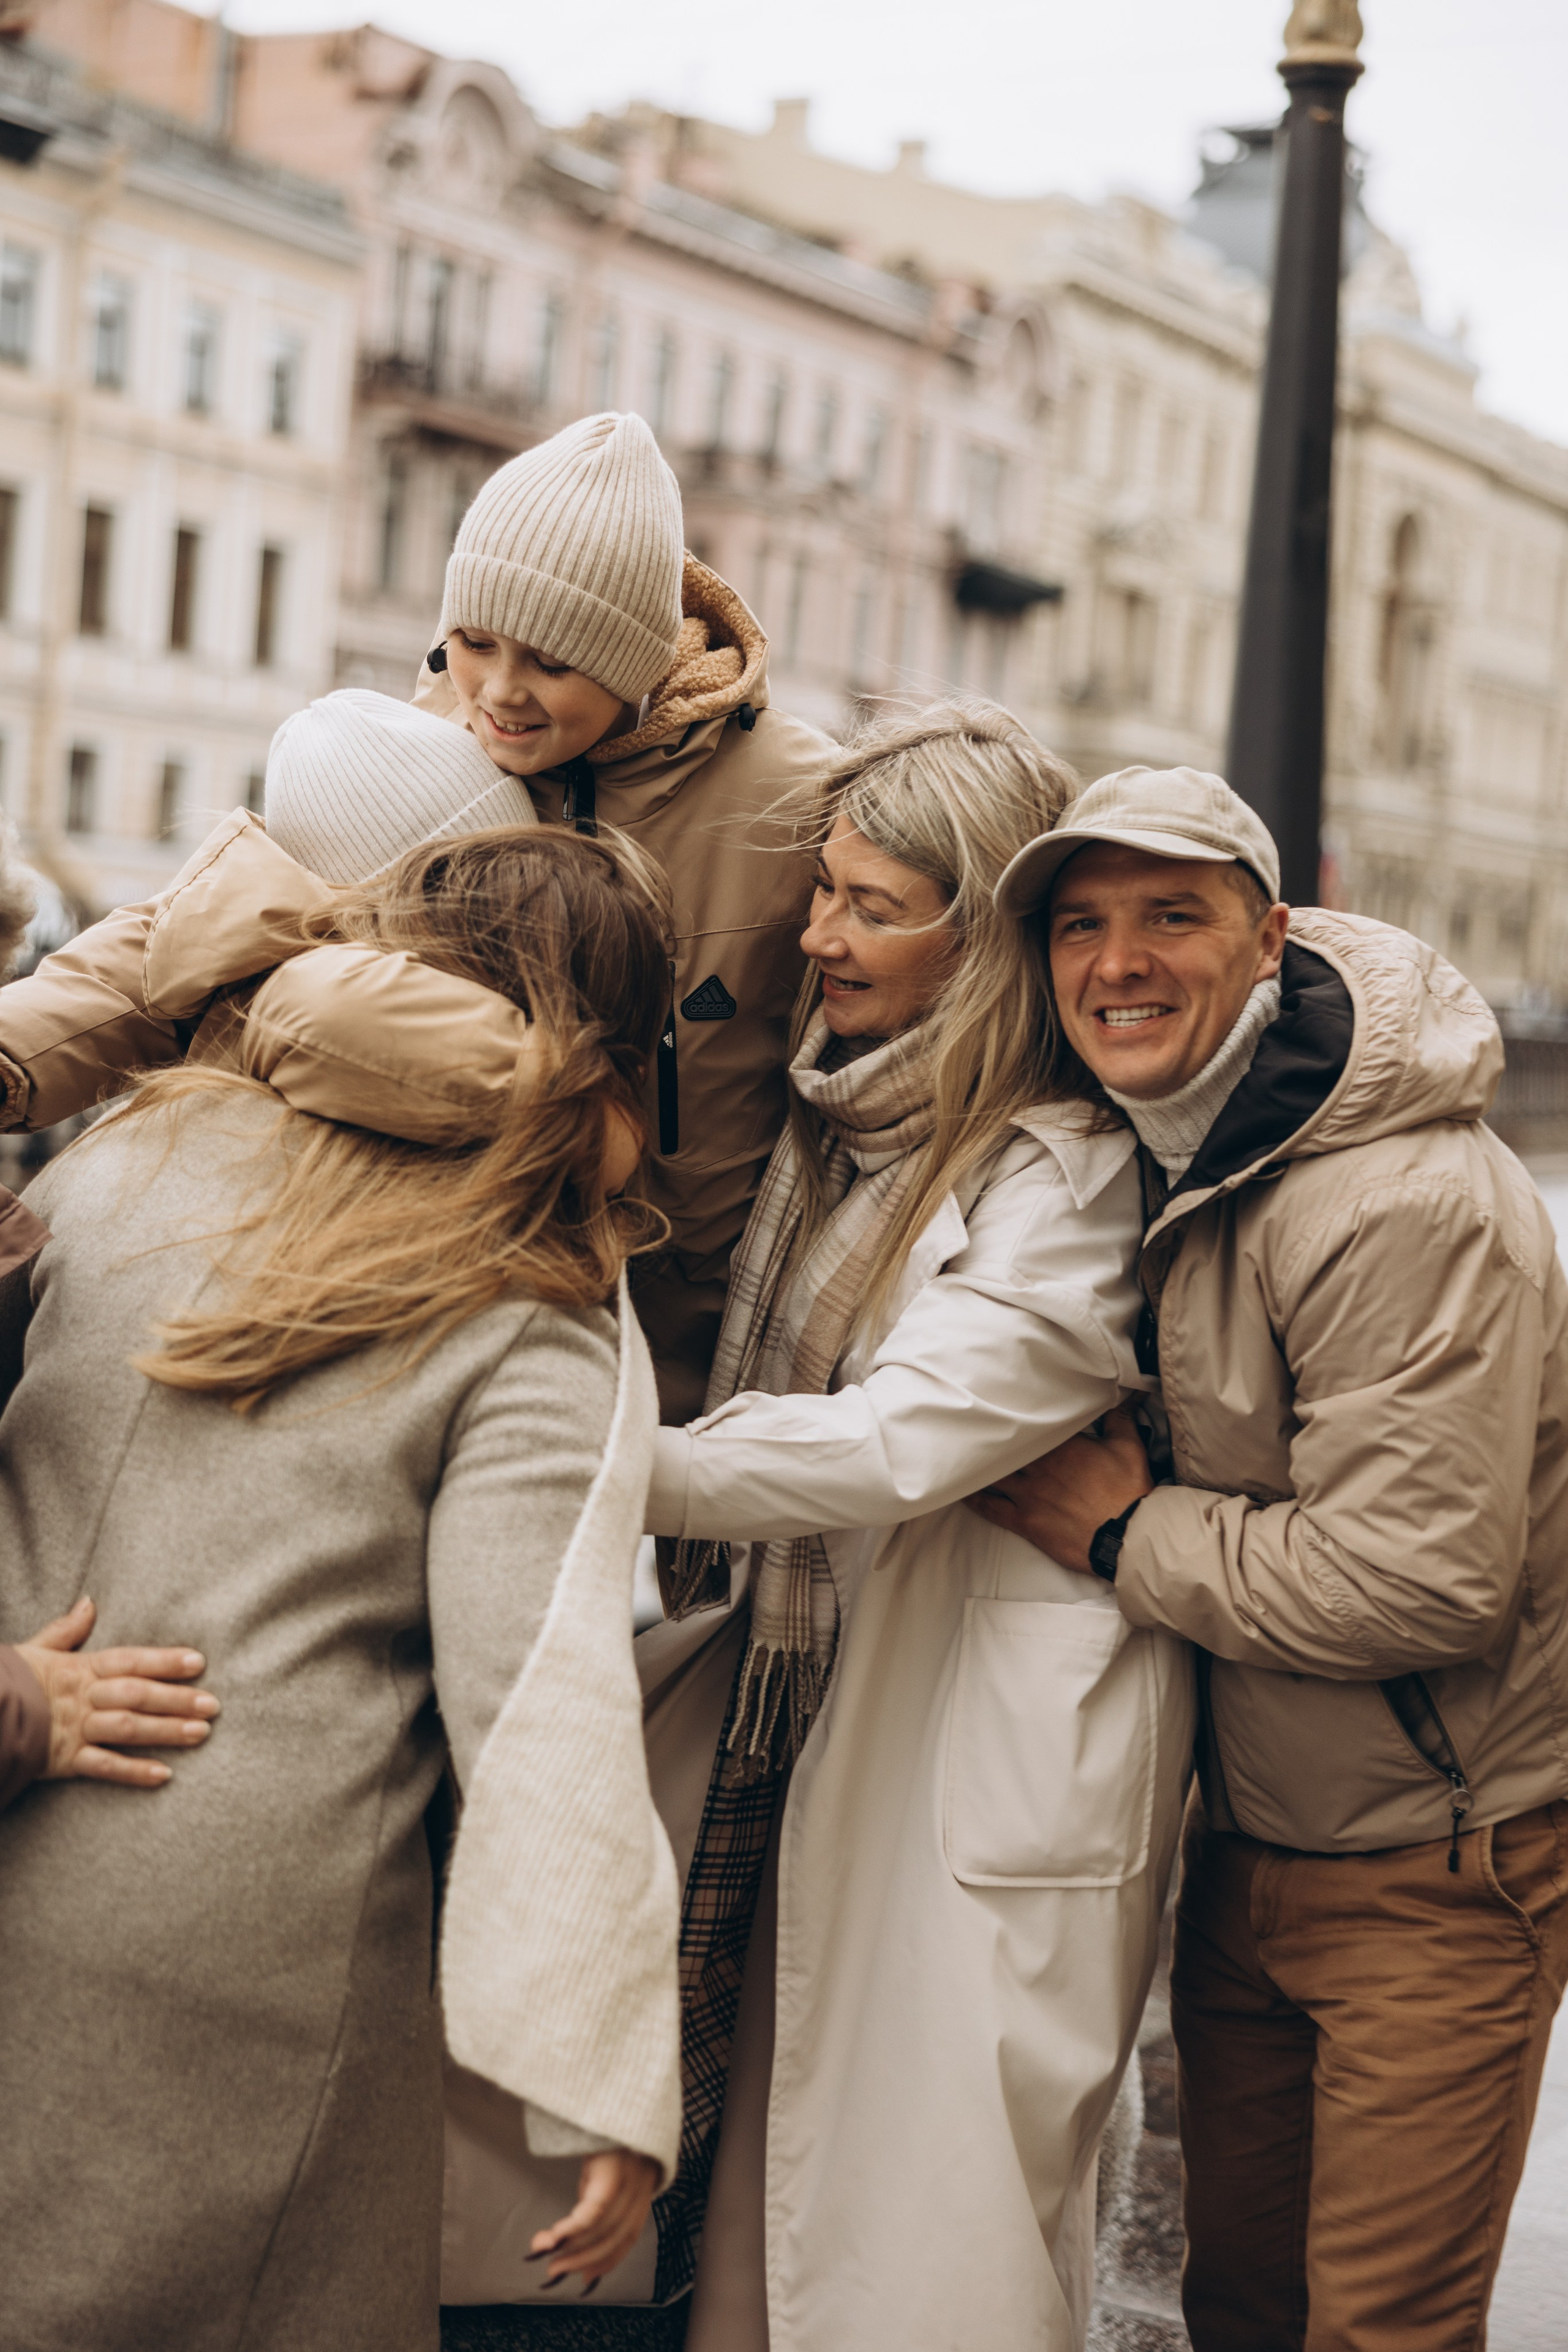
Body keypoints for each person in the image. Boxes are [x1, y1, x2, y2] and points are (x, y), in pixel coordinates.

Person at [0, 825, 682, 2352]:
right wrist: (602, 2071)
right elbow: (537, 1704)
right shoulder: (534, 1298)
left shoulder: (128, 1153)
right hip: (255, 1920)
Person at [621, 704, 1196, 2350]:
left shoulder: (1065, 1179)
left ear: (989, 939)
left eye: (874, 906)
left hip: (979, 1766)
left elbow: (899, 1442)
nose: (822, 934)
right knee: (791, 2231)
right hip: (827, 1717)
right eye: (824, 893)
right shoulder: (845, 1127)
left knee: (922, 2260)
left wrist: (602, 1466)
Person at [976, 764, 1568, 2352]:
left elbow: (1423, 1578)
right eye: (1083, 926)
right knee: (1240, 2309)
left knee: (1374, 2332)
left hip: (1435, 1867)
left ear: (1270, 940)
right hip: (1249, 1849)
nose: (1120, 963)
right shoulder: (1165, 1149)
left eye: (1175, 916)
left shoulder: (1398, 1199)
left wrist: (1119, 1530)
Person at [0, 412, 831, 1418]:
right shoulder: (438, 734)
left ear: (634, 657)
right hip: (434, 1304)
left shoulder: (799, 800)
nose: (503, 694)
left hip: (687, 1353)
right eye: (474, 642)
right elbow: (208, 924)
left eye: (553, 664)